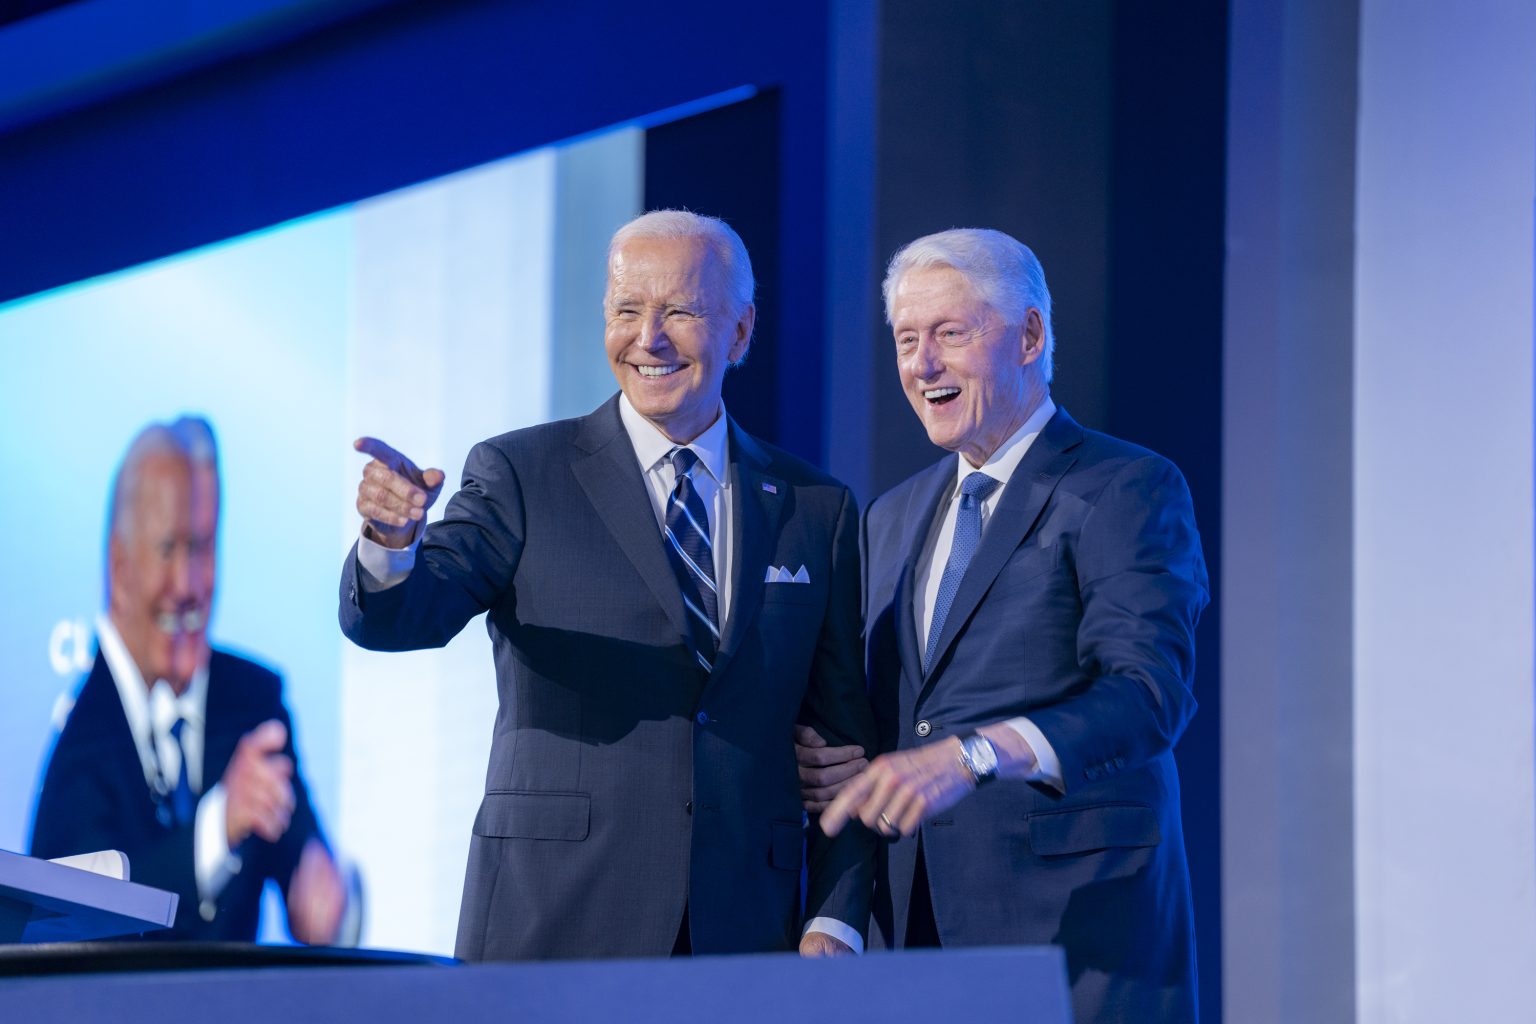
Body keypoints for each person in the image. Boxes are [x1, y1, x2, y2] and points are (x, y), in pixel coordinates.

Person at [339, 210, 876, 961]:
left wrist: (836, 919)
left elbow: (843, 748)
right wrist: (393, 543)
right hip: (552, 923)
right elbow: (404, 619)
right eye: (627, 310)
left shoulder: (816, 509)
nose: (648, 338)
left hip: (746, 941)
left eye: (680, 311)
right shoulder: (521, 473)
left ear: (742, 331)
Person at [813, 229, 1208, 1023]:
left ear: (1029, 336)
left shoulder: (1124, 486)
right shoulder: (889, 518)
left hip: (1072, 944)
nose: (923, 365)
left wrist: (975, 755)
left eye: (950, 334)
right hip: (911, 945)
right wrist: (837, 916)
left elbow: (1148, 694)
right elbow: (889, 734)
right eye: (906, 340)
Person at [32, 418, 346, 943]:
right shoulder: (81, 742)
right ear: (120, 565)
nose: (189, 585)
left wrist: (327, 895)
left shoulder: (255, 704)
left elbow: (311, 879)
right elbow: (71, 924)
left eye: (202, 548)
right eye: (168, 550)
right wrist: (217, 827)